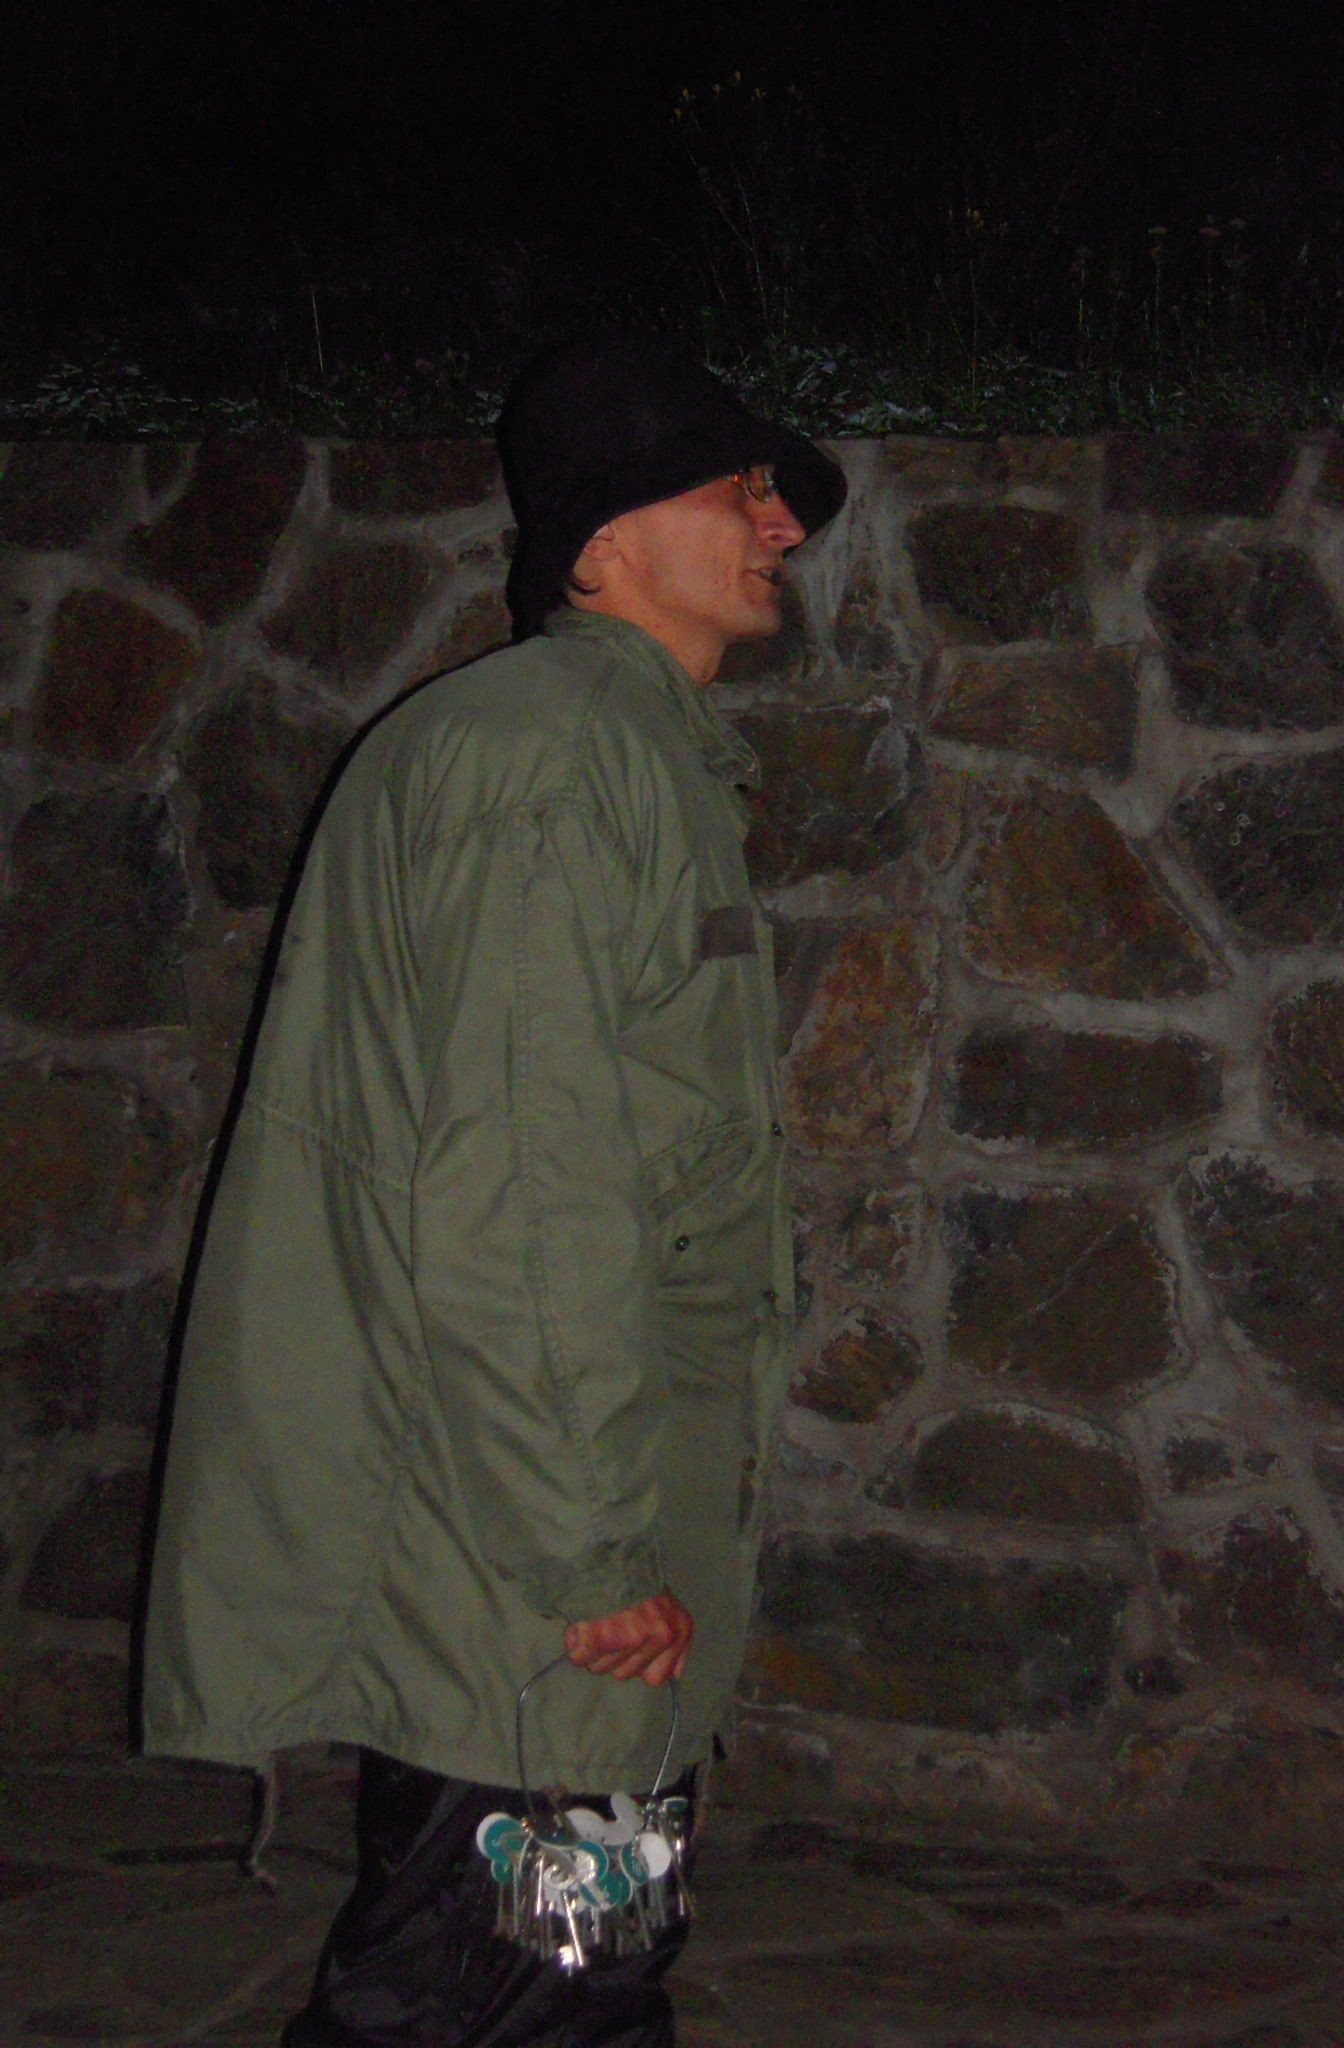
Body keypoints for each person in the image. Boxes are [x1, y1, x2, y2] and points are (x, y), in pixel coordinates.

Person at [140, 331, 847, 2045]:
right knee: (507, 1997)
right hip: (528, 1575)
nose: (785, 527)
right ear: (603, 543)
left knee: (559, 1982)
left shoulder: (619, 752)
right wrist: (588, 1546)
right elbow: (525, 1188)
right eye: (740, 491)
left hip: (535, 1546)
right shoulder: (555, 763)